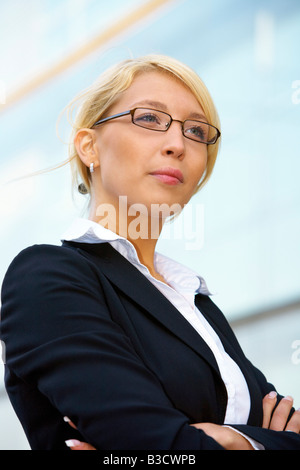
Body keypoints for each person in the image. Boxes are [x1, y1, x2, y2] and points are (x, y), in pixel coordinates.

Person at [1, 54, 299, 451]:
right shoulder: (46, 277)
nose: (177, 144)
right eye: (148, 119)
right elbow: (155, 447)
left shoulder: (194, 302)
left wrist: (230, 439)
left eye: (196, 131)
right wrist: (261, 441)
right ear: (89, 146)